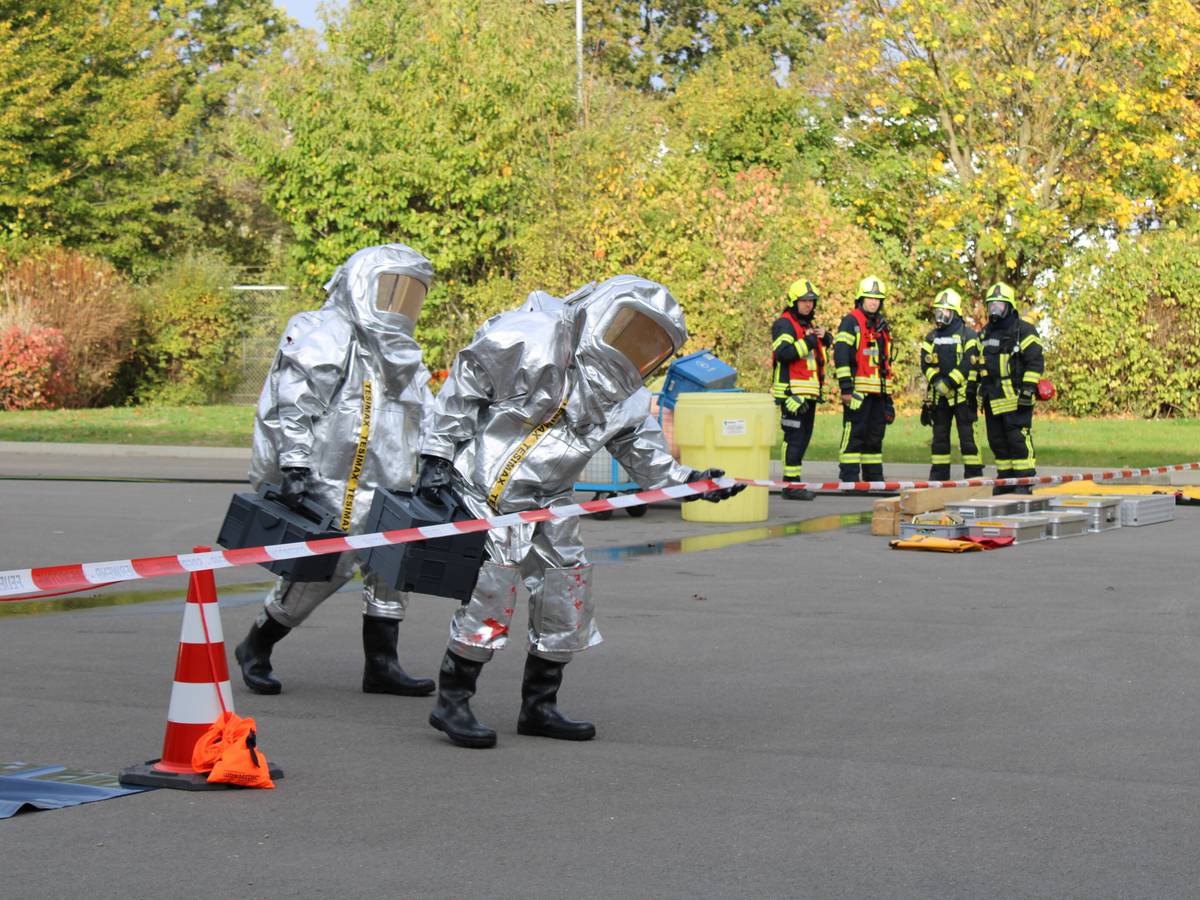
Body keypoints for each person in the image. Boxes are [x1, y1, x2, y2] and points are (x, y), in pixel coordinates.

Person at [415, 275, 745, 749]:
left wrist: (695, 483)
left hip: (548, 502)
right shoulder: (532, 338)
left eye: (648, 345)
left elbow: (647, 459)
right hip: (483, 491)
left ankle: (540, 706)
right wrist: (435, 456)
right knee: (492, 589)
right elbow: (464, 385)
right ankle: (453, 701)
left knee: (567, 589)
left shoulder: (627, 400)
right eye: (629, 331)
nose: (633, 351)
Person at [235, 244, 437, 697]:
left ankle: (382, 666)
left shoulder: (401, 352)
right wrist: (294, 464)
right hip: (333, 481)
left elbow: (424, 414)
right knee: (324, 570)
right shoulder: (328, 333)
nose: (399, 302)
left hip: (390, 481)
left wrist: (433, 464)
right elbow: (295, 404)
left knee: (392, 571)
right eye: (390, 289)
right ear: (362, 286)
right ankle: (256, 645)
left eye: (409, 292)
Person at [976, 281, 1045, 495]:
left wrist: (1027, 389)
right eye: (991, 305)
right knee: (997, 441)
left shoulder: (1023, 330)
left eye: (999, 305)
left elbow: (1035, 362)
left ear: (1009, 306)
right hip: (992, 399)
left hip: (1016, 398)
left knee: (1017, 439)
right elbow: (978, 364)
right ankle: (1005, 479)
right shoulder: (985, 333)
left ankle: (1024, 481)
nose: (995, 310)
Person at [771, 279, 832, 500]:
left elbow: (821, 347)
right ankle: (790, 485)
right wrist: (808, 342)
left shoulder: (807, 325)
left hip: (808, 394)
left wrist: (824, 337)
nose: (808, 305)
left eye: (811, 301)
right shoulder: (784, 324)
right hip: (792, 394)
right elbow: (784, 353)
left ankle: (795, 482)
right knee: (794, 438)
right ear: (793, 302)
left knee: (804, 438)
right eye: (804, 301)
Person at [833, 276, 894, 483]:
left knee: (875, 437)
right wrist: (847, 389)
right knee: (854, 434)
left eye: (877, 298)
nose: (874, 302)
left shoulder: (881, 326)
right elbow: (841, 356)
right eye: (870, 297)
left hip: (878, 394)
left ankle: (874, 478)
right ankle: (849, 478)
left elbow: (885, 364)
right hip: (857, 393)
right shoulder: (851, 321)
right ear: (861, 298)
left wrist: (888, 399)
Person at [919, 288, 983, 480]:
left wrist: (948, 383)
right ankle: (938, 478)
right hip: (940, 397)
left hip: (963, 397)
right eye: (938, 311)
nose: (941, 315)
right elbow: (925, 363)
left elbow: (967, 363)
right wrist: (937, 381)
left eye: (945, 311)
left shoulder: (969, 336)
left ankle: (974, 477)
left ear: (955, 313)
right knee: (939, 439)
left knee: (968, 438)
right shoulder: (931, 337)